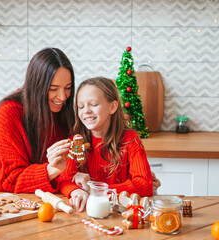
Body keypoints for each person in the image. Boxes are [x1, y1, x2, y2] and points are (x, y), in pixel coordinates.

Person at [0, 48, 81, 197]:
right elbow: (8, 181)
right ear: (37, 86)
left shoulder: (61, 114)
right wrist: (52, 169)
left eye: (68, 88)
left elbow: (66, 167)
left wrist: (75, 177)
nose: (62, 96)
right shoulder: (8, 114)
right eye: (53, 89)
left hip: (31, 201)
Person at [61, 77, 157, 212]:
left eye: (93, 104)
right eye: (81, 106)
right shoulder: (76, 142)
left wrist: (94, 190)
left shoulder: (130, 140)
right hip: (87, 212)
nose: (86, 111)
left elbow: (144, 184)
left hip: (122, 213)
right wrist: (76, 191)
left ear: (112, 107)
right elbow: (65, 179)